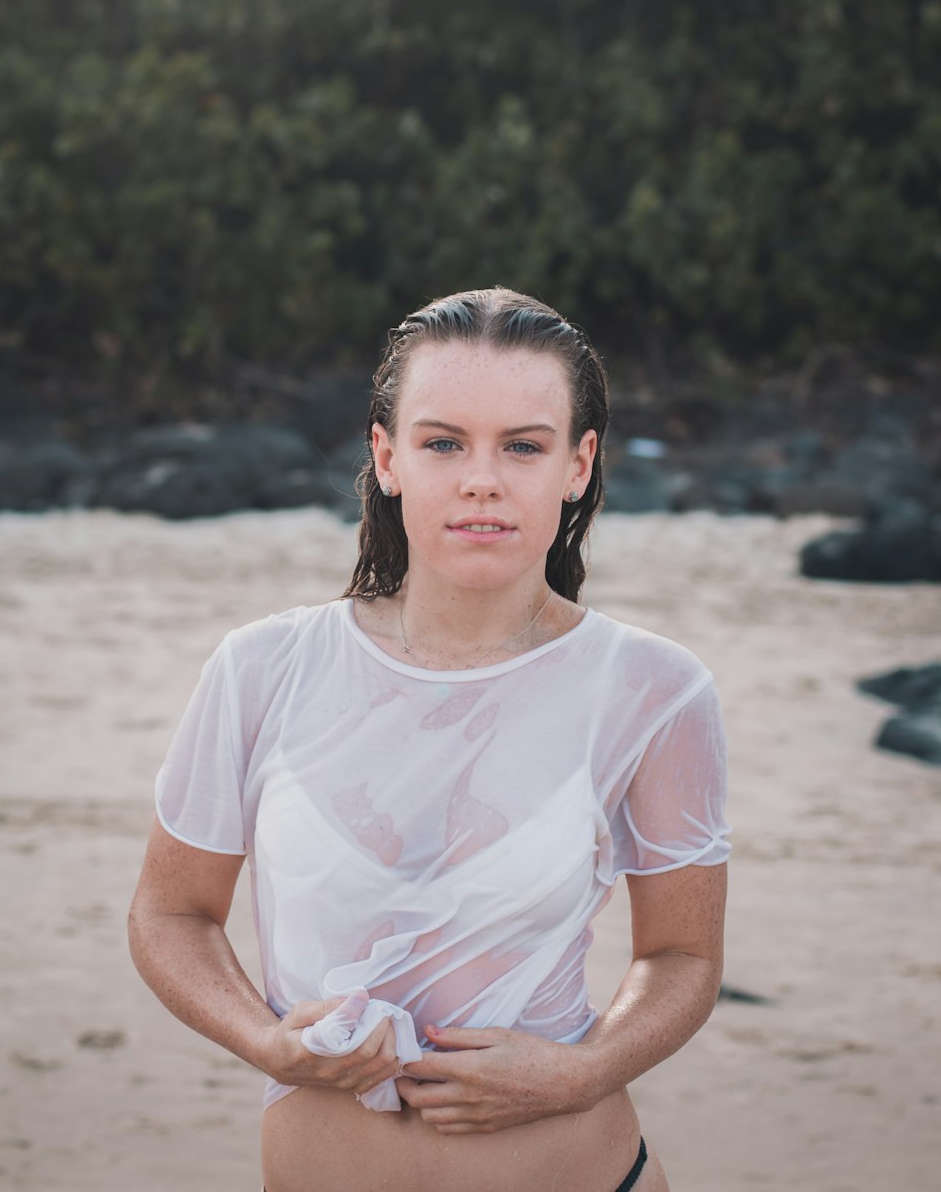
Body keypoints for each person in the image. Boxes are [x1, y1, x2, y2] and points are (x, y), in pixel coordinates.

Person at [129, 287, 730, 1192]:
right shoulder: (263, 667)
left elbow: (681, 956)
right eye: (443, 442)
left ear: (579, 463)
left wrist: (584, 1069)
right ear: (387, 456)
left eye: (523, 446)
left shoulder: (652, 689)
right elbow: (169, 914)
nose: (481, 479)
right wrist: (267, 1041)